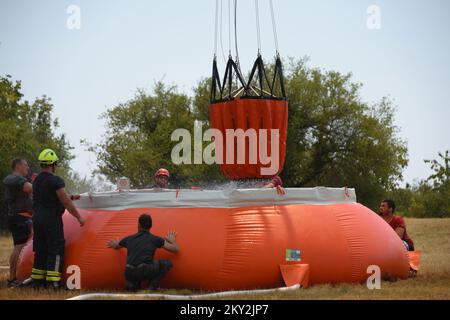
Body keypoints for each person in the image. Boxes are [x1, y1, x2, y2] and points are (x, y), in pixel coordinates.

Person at [27, 148, 85, 289]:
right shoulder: (55, 180)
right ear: (53, 164)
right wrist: (79, 217)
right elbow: (64, 201)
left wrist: (71, 196)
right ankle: (53, 282)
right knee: (55, 249)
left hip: (38, 220)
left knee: (40, 249)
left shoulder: (37, 181)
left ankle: (37, 280)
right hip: (51, 221)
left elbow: (49, 197)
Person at [107, 213, 179, 292]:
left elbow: (117, 246)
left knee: (136, 271)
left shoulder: (129, 239)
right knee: (167, 263)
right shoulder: (154, 239)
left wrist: (114, 244)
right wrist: (172, 240)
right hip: (145, 270)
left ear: (138, 224)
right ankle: (152, 286)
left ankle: (132, 285)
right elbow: (175, 249)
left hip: (129, 272)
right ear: (150, 226)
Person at [3, 158, 33, 287]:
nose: (28, 167)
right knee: (19, 247)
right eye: (26, 165)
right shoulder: (14, 179)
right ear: (18, 166)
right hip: (19, 218)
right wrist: (40, 183)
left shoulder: (17, 180)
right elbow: (31, 188)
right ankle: (12, 278)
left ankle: (15, 276)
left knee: (20, 247)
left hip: (21, 217)